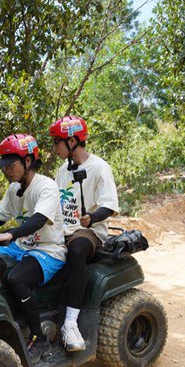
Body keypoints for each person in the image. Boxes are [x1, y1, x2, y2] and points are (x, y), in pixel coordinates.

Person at [0, 134, 66, 364]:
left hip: (48, 250)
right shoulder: (14, 189)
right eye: (4, 167)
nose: (7, 171)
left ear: (28, 161)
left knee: (17, 278)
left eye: (11, 165)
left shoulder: (46, 186)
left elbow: (38, 220)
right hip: (21, 247)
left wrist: (9, 234)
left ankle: (39, 335)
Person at [49, 116, 119, 351]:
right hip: (64, 229)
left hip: (89, 232)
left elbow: (109, 204)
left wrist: (93, 217)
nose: (54, 147)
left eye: (57, 142)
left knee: (77, 251)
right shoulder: (62, 171)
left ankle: (70, 322)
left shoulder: (99, 167)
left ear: (71, 141)